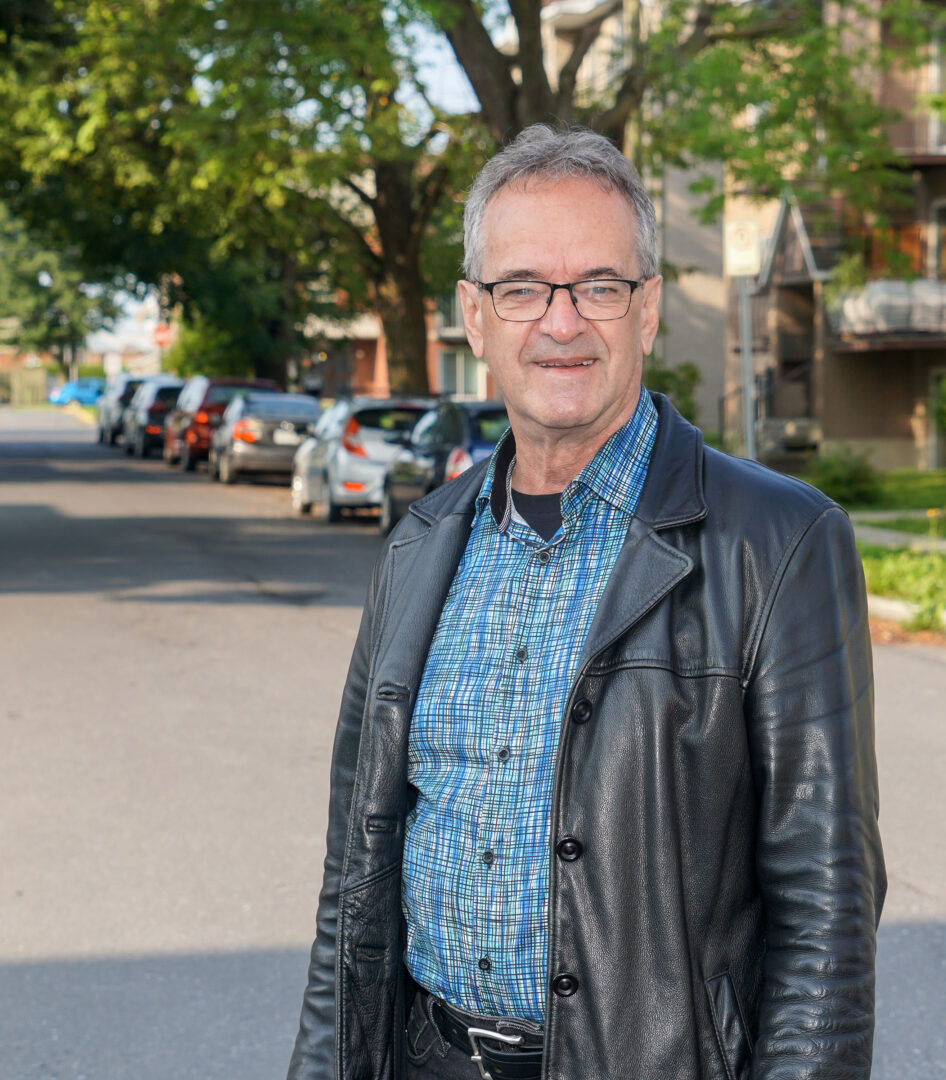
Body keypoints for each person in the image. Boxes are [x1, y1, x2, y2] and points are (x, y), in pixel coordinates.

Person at [287, 124, 885, 1080]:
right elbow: (351, 885)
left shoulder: (777, 542)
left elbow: (827, 905)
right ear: (474, 318)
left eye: (599, 287)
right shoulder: (419, 546)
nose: (561, 324)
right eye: (522, 288)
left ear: (647, 310)